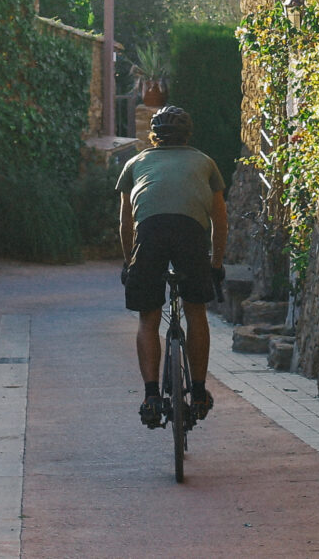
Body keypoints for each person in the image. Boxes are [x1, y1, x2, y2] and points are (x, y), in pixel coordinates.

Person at [117, 102, 227, 428]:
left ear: (154, 136)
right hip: (191, 235)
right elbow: (219, 222)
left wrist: (129, 263)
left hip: (149, 234)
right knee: (196, 311)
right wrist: (216, 265)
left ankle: (151, 395)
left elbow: (125, 224)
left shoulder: (136, 163)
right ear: (188, 134)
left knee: (148, 316)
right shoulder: (205, 162)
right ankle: (199, 390)